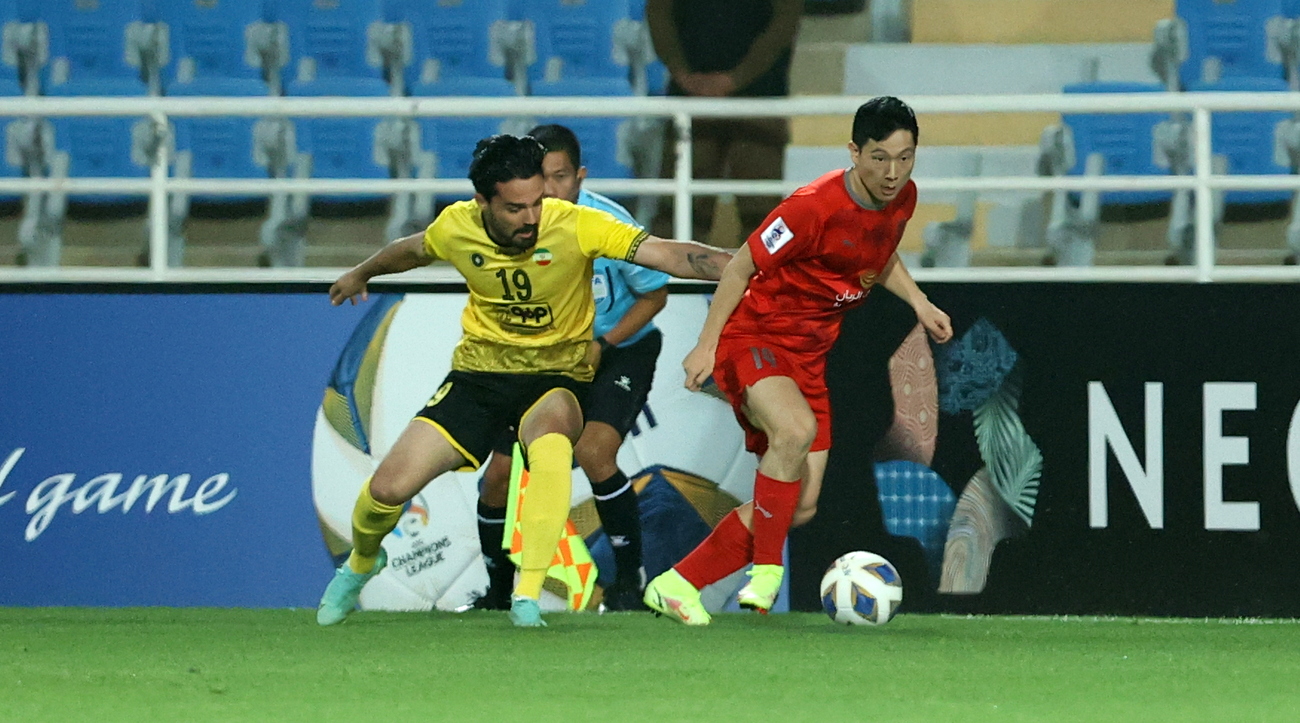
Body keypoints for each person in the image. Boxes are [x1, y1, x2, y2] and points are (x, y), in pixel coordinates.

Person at [317, 134, 732, 628]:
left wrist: (751, 265)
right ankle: (364, 561)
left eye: (538, 202)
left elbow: (671, 256)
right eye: (516, 208)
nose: (533, 218)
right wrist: (362, 272)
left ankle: (526, 596)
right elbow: (412, 250)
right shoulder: (457, 227)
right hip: (479, 377)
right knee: (387, 489)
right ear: (483, 203)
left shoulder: (575, 224)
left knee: (553, 443)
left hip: (556, 375)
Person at [642, 96, 954, 625]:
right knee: (794, 431)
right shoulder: (810, 207)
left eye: (905, 158)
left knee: (801, 505)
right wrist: (706, 345)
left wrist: (919, 301)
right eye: (879, 157)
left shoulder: (902, 199)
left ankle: (676, 584)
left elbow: (879, 254)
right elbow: (740, 266)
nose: (893, 172)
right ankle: (766, 572)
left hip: (809, 356)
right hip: (755, 335)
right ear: (854, 152)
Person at [471, 124, 670, 612]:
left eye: (560, 177)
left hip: (620, 348)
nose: (550, 190)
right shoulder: (516, 226)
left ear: (579, 176)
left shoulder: (606, 222)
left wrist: (605, 342)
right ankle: (499, 591)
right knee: (497, 476)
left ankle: (629, 584)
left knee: (595, 451)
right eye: (540, 179)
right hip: (545, 355)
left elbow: (655, 294)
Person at [646, 0, 804, 245]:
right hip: (690, 104)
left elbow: (783, 24)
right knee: (678, 210)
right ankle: (671, 282)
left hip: (760, 102)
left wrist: (733, 79)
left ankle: (765, 281)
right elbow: (659, 13)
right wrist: (682, 73)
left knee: (762, 213)